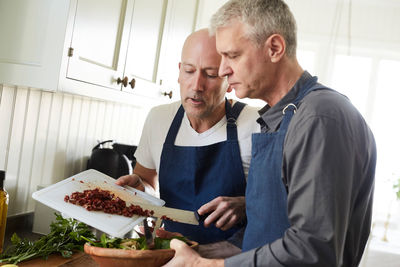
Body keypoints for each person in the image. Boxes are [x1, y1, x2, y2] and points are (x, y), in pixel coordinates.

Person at [164, 0, 377, 266]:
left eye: (232, 55)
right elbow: (262, 236)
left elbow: (311, 250)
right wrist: (193, 254)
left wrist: (202, 266)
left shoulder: (319, 117)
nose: (222, 70)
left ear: (274, 48)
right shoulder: (280, 117)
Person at [116, 28, 260, 246]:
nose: (196, 86)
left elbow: (280, 205)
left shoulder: (256, 124)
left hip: (232, 259)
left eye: (211, 74)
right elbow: (146, 181)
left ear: (230, 79)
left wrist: (246, 205)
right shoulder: (159, 118)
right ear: (179, 71)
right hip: (173, 254)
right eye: (189, 71)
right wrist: (140, 188)